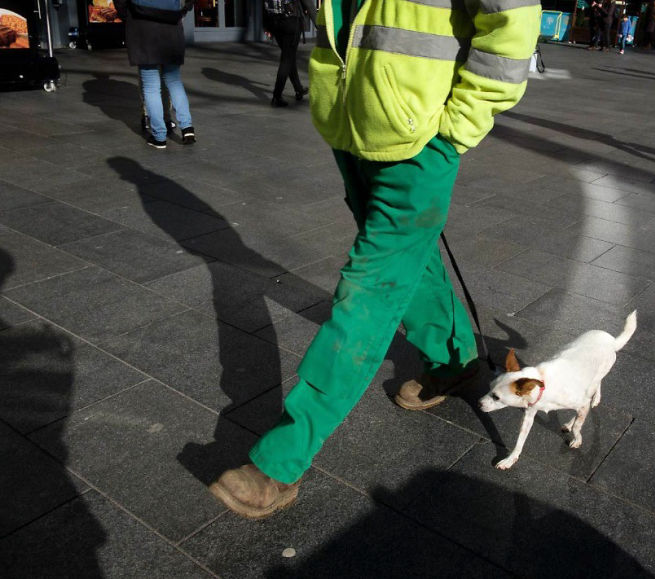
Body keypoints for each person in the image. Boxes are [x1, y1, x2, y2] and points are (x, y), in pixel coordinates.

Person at [207, 0, 541, 519]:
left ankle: (282, 458)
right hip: (352, 124)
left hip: (422, 137)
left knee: (370, 289)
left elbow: (511, 20)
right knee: (413, 261)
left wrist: (459, 124)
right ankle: (454, 362)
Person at [115, 0, 195, 149]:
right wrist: (182, 12)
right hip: (171, 27)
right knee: (174, 81)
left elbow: (120, 3)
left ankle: (159, 136)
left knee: (151, 86)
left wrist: (129, 16)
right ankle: (187, 128)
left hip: (142, 29)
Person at [264, 0, 309, 107]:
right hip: (290, 21)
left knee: (289, 56)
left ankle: (298, 89)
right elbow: (308, 3)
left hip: (274, 22)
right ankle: (277, 95)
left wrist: (266, 26)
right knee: (287, 60)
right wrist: (319, 25)